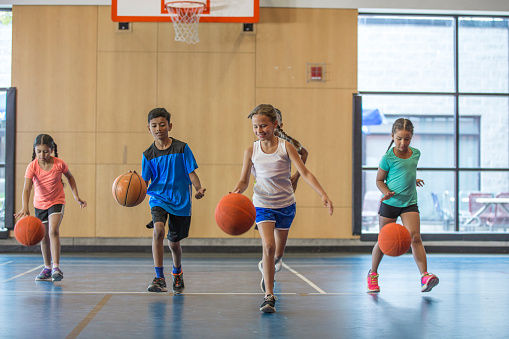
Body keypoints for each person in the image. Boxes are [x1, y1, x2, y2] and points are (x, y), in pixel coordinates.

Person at [232, 104, 333, 313]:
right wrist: (234, 194)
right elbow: (243, 181)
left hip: (286, 204)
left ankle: (270, 264)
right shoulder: (251, 150)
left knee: (277, 252)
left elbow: (304, 172)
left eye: (263, 126)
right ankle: (269, 295)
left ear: (274, 125)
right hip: (262, 205)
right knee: (268, 246)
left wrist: (323, 193)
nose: (259, 130)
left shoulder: (286, 147)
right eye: (255, 127)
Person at [367, 118, 439, 293]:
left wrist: (414, 180)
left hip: (409, 203)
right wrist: (386, 192)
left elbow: (407, 172)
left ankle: (424, 276)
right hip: (390, 203)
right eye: (399, 138)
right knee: (383, 242)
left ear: (411, 138)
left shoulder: (416, 154)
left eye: (406, 139)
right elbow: (379, 180)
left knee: (415, 237)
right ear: (392, 136)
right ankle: (373, 274)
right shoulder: (387, 158)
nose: (402, 142)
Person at [142, 108, 206, 293]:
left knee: (174, 243)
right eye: (154, 125)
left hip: (180, 200)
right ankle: (159, 277)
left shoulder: (182, 148)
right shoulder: (148, 155)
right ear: (149, 128)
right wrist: (134, 193)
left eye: (162, 124)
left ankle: (177, 273)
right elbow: (144, 182)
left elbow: (191, 172)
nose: (158, 128)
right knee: (158, 230)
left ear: (170, 126)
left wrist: (198, 188)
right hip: (158, 198)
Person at [15, 134, 87, 282]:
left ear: (52, 150)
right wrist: (25, 207)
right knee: (43, 236)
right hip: (39, 204)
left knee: (53, 231)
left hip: (56, 201)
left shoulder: (59, 164)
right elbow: (27, 189)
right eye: (39, 151)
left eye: (46, 151)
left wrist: (76, 196)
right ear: (34, 150)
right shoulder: (32, 166)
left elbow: (70, 178)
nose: (42, 154)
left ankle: (56, 267)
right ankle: (47, 267)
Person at [257, 108, 309, 275]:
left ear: (278, 124)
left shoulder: (287, 143)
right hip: (264, 199)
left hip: (284, 198)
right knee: (268, 244)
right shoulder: (257, 146)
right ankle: (267, 264)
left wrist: (296, 176)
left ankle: (276, 258)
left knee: (278, 250)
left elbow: (304, 153)